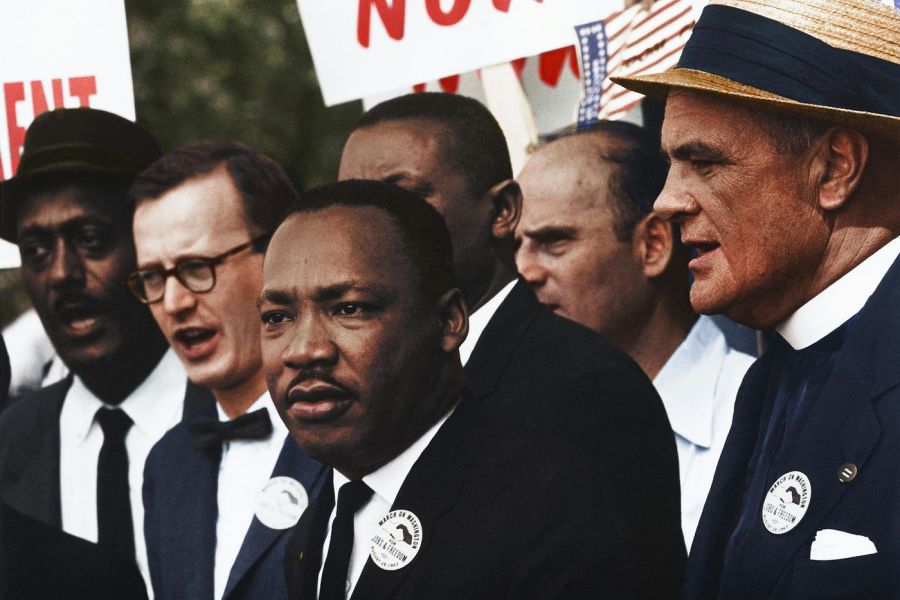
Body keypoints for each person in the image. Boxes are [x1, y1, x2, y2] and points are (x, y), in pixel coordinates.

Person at [337, 92, 684, 597]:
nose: (365, 230)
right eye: (351, 202)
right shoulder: (360, 389)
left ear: (502, 210)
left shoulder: (589, 389)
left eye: (404, 198)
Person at [614, 0, 900, 596]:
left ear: (833, 169)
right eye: (671, 164)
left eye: (705, 163)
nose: (666, 201)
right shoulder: (777, 374)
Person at [261, 179, 639, 599]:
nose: (303, 350)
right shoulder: (314, 527)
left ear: (449, 321)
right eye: (277, 317)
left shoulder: (548, 503)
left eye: (350, 308)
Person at [516, 121, 755, 550]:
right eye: (514, 247)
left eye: (553, 241)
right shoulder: (515, 425)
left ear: (653, 245)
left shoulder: (759, 412)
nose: (525, 271)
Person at [130, 140, 327, 600]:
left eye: (197, 267)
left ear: (278, 253)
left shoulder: (358, 429)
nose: (174, 303)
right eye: (153, 279)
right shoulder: (169, 464)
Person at [0, 107, 185, 596]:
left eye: (90, 238)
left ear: (153, 248)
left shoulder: (250, 418)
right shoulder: (9, 444)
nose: (62, 273)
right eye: (36, 248)